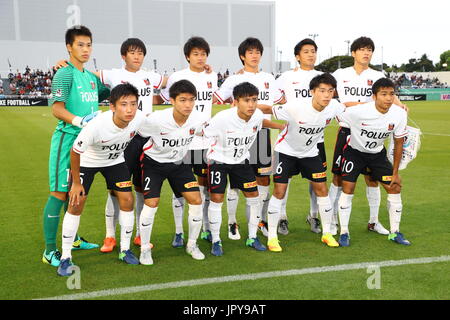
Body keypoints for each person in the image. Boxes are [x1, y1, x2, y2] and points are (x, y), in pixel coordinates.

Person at [57, 83, 144, 276]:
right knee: (76, 202)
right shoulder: (96, 126)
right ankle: (65, 257)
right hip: (87, 161)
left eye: (133, 104)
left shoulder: (139, 120)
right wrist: (77, 184)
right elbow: (75, 151)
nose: (129, 109)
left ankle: (124, 249)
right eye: (123, 104)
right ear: (112, 106)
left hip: (114, 161)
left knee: (127, 200)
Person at [42, 25, 110, 268]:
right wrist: (80, 120)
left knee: (76, 191)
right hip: (67, 138)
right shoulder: (64, 73)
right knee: (60, 192)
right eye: (80, 45)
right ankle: (50, 250)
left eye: (89, 44)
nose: (85, 49)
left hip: (87, 144)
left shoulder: (90, 77)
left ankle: (74, 239)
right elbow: (56, 108)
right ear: (69, 47)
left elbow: (113, 90)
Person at [330, 36, 406, 236]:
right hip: (347, 131)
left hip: (372, 130)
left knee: (372, 179)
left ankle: (374, 221)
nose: (366, 53)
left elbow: (387, 93)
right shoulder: (340, 73)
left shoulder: (377, 74)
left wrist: (398, 104)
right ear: (353, 53)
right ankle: (330, 221)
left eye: (369, 50)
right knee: (339, 178)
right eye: (362, 49)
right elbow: (334, 98)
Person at [213, 37, 282, 242]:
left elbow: (277, 103)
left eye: (257, 52)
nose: (254, 55)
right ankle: (232, 222)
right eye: (250, 52)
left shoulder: (269, 77)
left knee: (262, 179)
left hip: (260, 133)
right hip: (237, 134)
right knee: (235, 183)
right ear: (242, 56)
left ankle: (258, 220)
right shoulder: (234, 79)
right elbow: (217, 100)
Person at [98, 38, 163, 252]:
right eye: (132, 52)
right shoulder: (114, 74)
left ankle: (138, 235)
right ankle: (110, 236)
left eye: (140, 53)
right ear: (123, 55)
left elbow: (173, 80)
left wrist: (202, 68)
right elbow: (90, 75)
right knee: (116, 189)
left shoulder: (150, 77)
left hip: (147, 138)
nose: (137, 56)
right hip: (123, 138)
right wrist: (66, 64)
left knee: (141, 189)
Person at [204, 82, 285, 256]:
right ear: (236, 101)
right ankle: (217, 240)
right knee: (216, 199)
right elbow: (204, 133)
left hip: (241, 162)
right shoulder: (222, 118)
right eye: (246, 100)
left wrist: (279, 126)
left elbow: (261, 121)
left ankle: (252, 237)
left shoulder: (256, 115)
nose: (251, 104)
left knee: (254, 198)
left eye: (254, 100)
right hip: (219, 161)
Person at [265, 73, 343, 252]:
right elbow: (269, 109)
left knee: (322, 190)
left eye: (330, 91)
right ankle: (272, 237)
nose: (326, 95)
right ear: (312, 92)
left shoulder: (334, 107)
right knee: (279, 191)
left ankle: (327, 233)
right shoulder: (295, 107)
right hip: (286, 152)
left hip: (310, 153)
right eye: (322, 91)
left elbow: (355, 111)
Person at [137, 80, 208, 265]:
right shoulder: (156, 119)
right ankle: (145, 248)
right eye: (183, 100)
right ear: (172, 100)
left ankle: (192, 244)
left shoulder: (197, 118)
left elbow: (207, 131)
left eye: (191, 100)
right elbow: (136, 130)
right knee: (151, 203)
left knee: (196, 200)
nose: (188, 105)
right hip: (154, 164)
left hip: (179, 164)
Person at [158, 36, 218, 249]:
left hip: (204, 143)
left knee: (204, 190)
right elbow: (167, 99)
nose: (200, 58)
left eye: (203, 54)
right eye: (196, 54)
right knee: (179, 191)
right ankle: (178, 232)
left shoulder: (213, 76)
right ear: (187, 56)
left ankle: (206, 229)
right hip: (181, 142)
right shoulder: (178, 77)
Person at [335, 78, 410, 246]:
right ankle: (344, 232)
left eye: (391, 94)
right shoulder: (358, 111)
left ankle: (395, 232)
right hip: (354, 153)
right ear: (374, 96)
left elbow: (399, 143)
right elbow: (339, 116)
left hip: (377, 154)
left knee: (394, 186)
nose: (389, 98)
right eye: (384, 94)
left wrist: (395, 173)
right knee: (348, 188)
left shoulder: (399, 114)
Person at [274, 38, 324, 235]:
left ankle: (313, 215)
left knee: (316, 180)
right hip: (290, 139)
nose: (311, 54)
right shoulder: (286, 77)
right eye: (306, 51)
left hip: (315, 138)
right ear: (297, 56)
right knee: (284, 180)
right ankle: (282, 217)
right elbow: (273, 97)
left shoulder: (323, 76)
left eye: (313, 51)